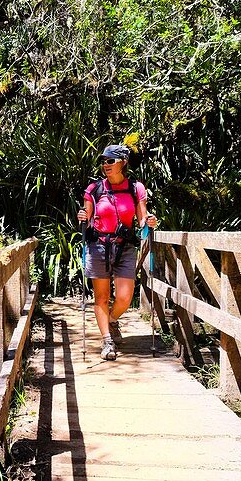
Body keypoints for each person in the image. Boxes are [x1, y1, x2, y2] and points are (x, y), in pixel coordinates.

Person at [76, 144, 158, 360]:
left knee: (124, 296)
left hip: (125, 246)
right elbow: (88, 217)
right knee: (101, 297)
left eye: (110, 161)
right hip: (98, 246)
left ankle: (112, 320)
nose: (106, 165)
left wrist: (149, 221)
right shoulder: (94, 189)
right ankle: (107, 341)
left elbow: (142, 219)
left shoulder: (136, 188)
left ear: (123, 162)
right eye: (104, 161)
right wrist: (83, 217)